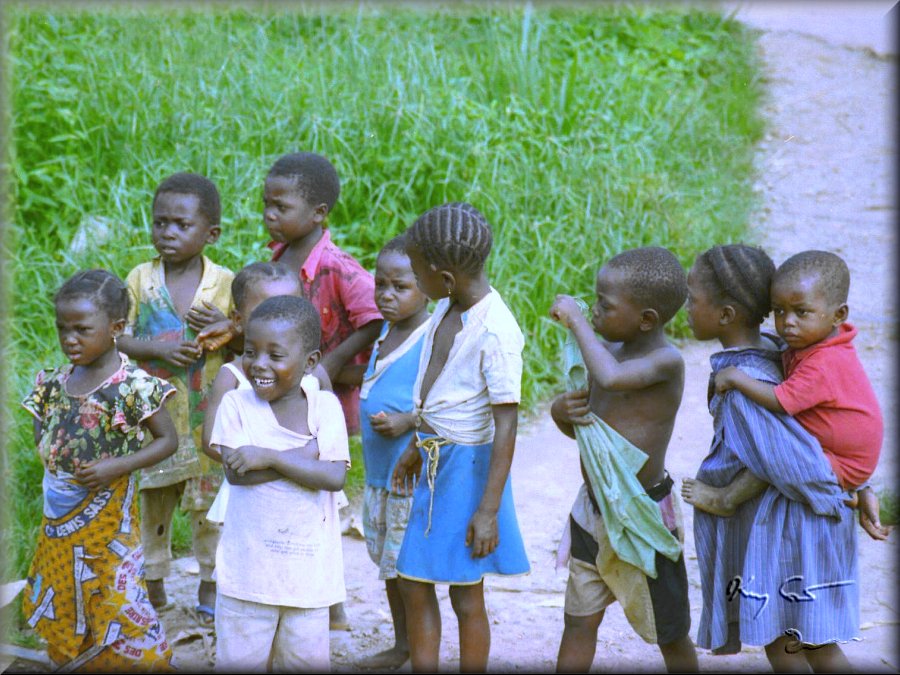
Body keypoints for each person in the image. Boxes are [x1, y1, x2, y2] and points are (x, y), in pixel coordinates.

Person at [680, 244, 888, 673]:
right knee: (792, 640)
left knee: (801, 642)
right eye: (780, 311)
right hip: (797, 522)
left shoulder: (747, 384)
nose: (684, 307)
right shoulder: (782, 352)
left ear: (725, 314)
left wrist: (843, 489)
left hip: (801, 526)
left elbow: (798, 461)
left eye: (691, 298)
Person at [391, 202, 530, 673]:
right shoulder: (447, 310)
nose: (414, 280)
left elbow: (506, 422)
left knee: (465, 592)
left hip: (467, 472)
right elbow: (439, 395)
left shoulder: (496, 331)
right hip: (437, 460)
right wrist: (415, 445)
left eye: (416, 272)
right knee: (414, 581)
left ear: (444, 278)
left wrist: (488, 511)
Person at [548, 247, 698, 673]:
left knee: (670, 631)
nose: (593, 311)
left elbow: (612, 378)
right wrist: (561, 413)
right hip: (593, 511)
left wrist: (576, 322)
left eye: (604, 305)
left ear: (647, 319)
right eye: (592, 303)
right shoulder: (605, 348)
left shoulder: (665, 362)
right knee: (578, 622)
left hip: (643, 514)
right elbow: (590, 433)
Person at [21, 270, 178, 671]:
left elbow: (167, 441)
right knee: (63, 592)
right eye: (62, 329)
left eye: (81, 330)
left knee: (115, 596)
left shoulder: (131, 386)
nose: (69, 339)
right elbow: (43, 426)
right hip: (58, 522)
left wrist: (117, 466)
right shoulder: (55, 382)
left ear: (116, 328)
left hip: (109, 528)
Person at [116, 172, 234, 624]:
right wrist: (160, 349)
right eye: (160, 222)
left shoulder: (223, 283)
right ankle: (154, 585)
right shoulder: (141, 280)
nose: (168, 232)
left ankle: (210, 584)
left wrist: (227, 323)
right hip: (155, 418)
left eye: (181, 224)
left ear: (211, 233)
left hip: (208, 417)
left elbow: (246, 339)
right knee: (153, 501)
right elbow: (119, 339)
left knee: (208, 507)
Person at [209, 295, 350, 672]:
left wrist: (269, 456)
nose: (259, 365)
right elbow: (237, 474)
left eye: (275, 355)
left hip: (308, 581)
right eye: (251, 352)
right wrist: (305, 457)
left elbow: (334, 476)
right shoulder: (236, 405)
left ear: (310, 363)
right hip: (246, 577)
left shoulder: (325, 408)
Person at [685, 249, 883, 515]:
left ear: (838, 315)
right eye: (779, 311)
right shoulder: (812, 343)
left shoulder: (822, 363)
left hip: (841, 461)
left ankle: (727, 499)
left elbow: (780, 400)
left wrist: (737, 379)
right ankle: (847, 492)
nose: (788, 323)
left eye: (801, 312)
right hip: (845, 456)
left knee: (775, 454)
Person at [200, 261, 333, 525]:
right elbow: (212, 443)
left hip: (306, 494)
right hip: (251, 496)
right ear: (238, 320)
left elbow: (332, 433)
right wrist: (278, 463)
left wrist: (278, 461)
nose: (279, 320)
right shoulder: (233, 378)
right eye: (267, 310)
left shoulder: (314, 375)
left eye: (290, 308)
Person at [352, 235, 430, 670]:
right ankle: (402, 645)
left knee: (410, 575)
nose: (386, 295)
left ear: (428, 287)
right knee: (389, 568)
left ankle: (420, 651)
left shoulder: (430, 336)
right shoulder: (385, 331)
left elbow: (447, 401)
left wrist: (408, 421)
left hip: (408, 478)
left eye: (400, 286)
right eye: (380, 285)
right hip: (380, 478)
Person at [264, 151, 382, 435]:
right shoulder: (277, 260)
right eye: (266, 204)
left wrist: (333, 362)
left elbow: (377, 317)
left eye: (281, 207)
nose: (269, 214)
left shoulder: (337, 267)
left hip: (336, 399)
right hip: (291, 391)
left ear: (318, 213)